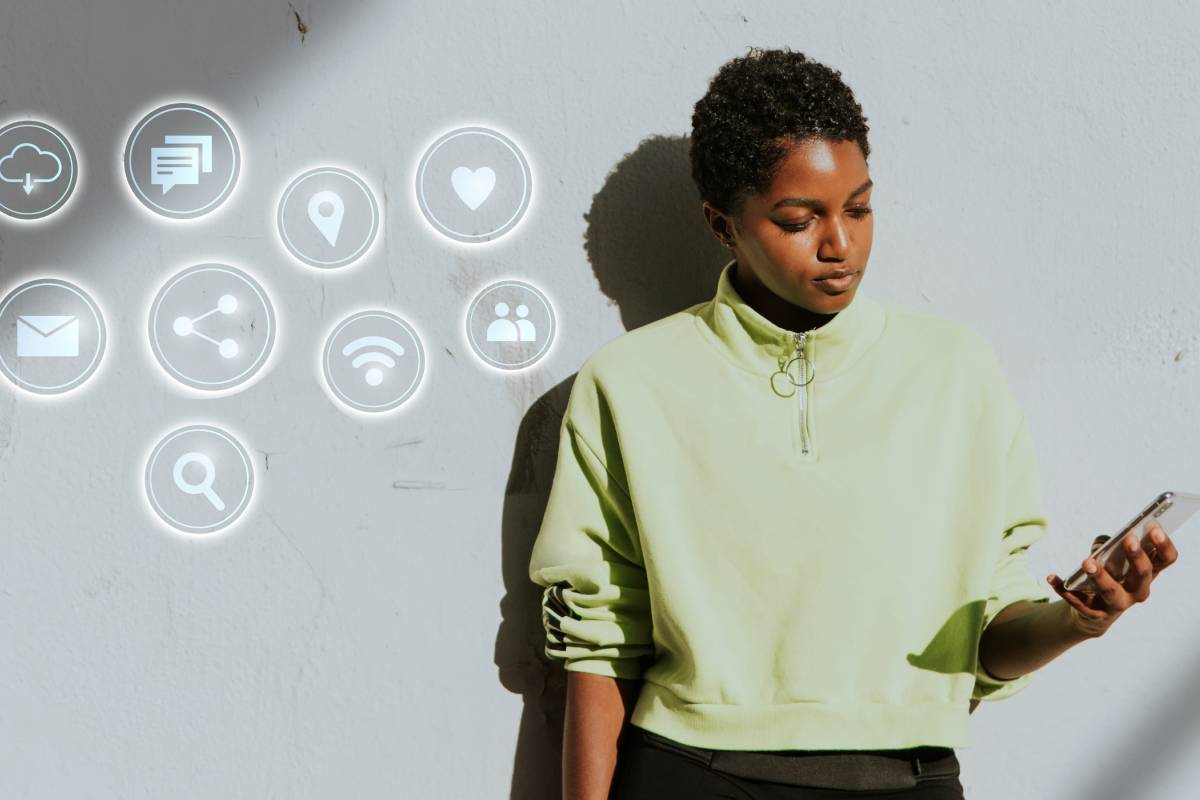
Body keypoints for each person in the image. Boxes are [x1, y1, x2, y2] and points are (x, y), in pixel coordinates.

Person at [528, 47, 1178, 800]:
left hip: (912, 778)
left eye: (859, 209)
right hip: (691, 773)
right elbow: (599, 648)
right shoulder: (631, 383)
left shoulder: (956, 373)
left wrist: (1080, 620)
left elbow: (988, 636)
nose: (840, 245)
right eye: (800, 220)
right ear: (722, 224)